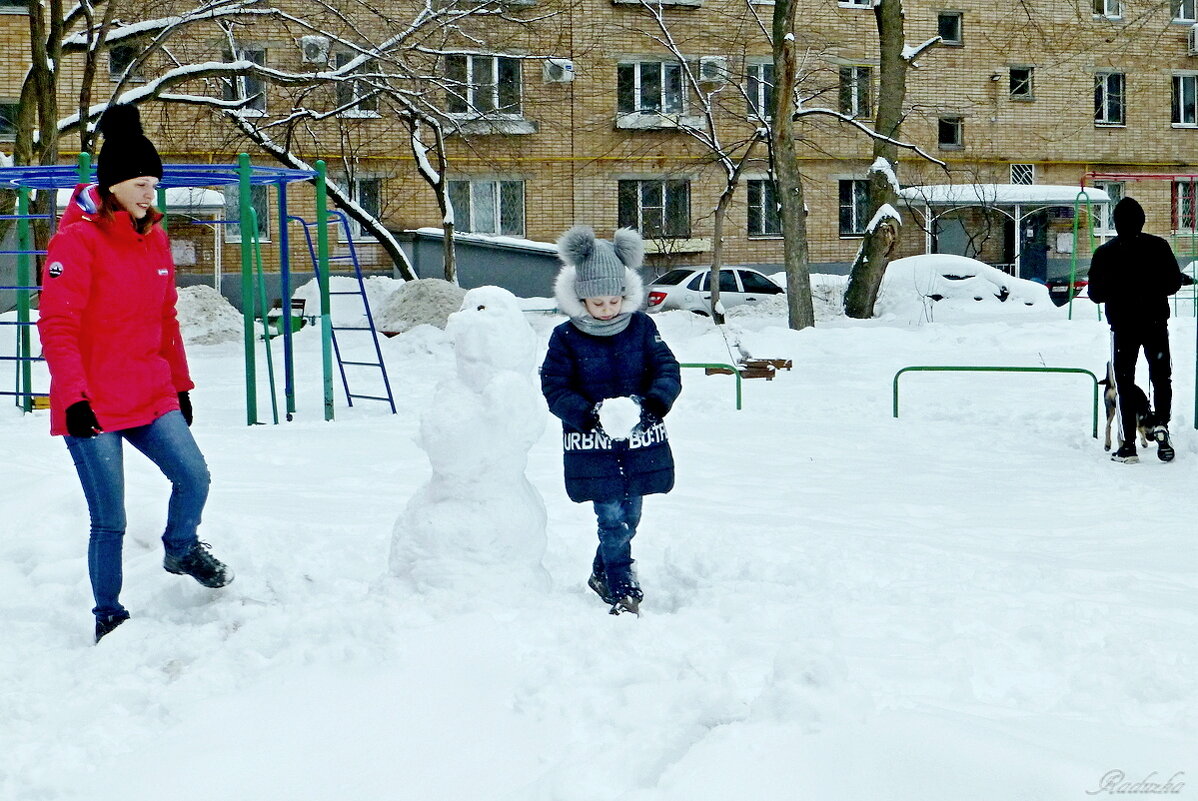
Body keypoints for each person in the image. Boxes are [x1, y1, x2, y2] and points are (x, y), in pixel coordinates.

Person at [38, 103, 233, 644]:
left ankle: (181, 547)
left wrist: (180, 384)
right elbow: (57, 324)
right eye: (140, 183)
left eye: (154, 183)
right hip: (92, 403)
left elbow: (165, 319)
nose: (151, 193)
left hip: (149, 390)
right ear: (113, 186)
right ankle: (108, 613)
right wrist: (73, 397)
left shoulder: (156, 239)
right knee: (111, 520)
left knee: (194, 476)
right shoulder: (76, 241)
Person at [540, 226, 682, 615]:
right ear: (580, 297)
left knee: (631, 514)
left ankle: (602, 570)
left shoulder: (641, 328)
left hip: (640, 441)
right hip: (593, 444)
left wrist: (654, 403)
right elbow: (554, 386)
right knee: (611, 517)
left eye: (614, 300)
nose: (607, 310)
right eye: (597, 303)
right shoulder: (566, 337)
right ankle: (620, 581)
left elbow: (667, 368)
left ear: (625, 294)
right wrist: (588, 415)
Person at [1088, 196, 1187, 463]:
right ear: (1142, 221)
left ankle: (1128, 445)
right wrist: (1150, 291)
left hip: (1123, 328)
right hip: (1155, 324)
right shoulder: (1159, 247)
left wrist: (1118, 291)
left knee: (1123, 383)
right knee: (1160, 377)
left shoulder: (1105, 253)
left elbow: (1095, 294)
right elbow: (1173, 283)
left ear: (1115, 223)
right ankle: (1161, 426)